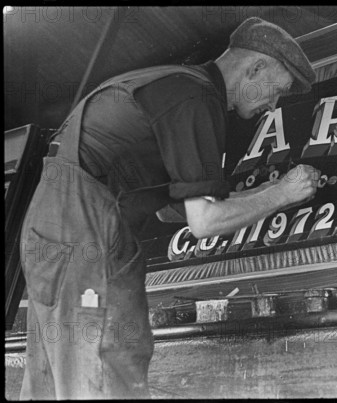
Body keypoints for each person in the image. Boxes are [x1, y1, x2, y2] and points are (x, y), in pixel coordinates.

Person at [19, 16, 320, 399]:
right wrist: (283, 196)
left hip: (59, 231)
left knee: (55, 378)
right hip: (83, 233)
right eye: (276, 90)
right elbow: (204, 221)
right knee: (108, 369)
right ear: (254, 68)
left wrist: (266, 191)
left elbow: (172, 211)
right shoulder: (196, 98)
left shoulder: (177, 86)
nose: (273, 103)